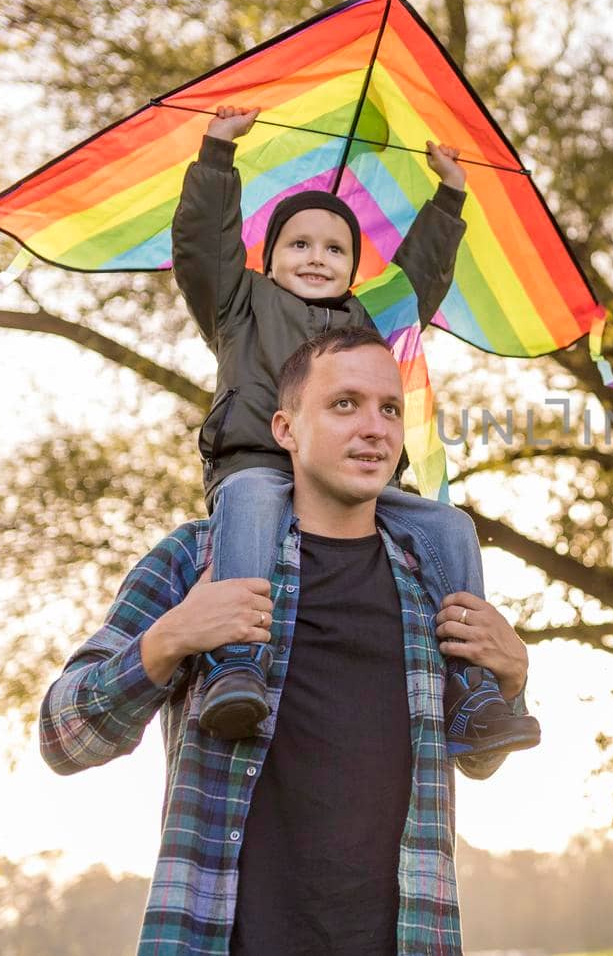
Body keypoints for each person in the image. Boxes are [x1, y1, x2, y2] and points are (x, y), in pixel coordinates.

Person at [40, 326, 530, 954]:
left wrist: (511, 683)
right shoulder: (200, 560)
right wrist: (169, 640)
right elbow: (64, 737)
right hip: (222, 938)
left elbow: (475, 760)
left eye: (390, 409)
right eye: (344, 404)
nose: (375, 427)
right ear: (285, 429)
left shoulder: (430, 583)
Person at [171, 104, 538, 757]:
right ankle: (237, 664)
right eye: (300, 244)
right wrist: (218, 154)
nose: (317, 256)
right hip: (259, 463)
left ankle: (472, 687)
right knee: (252, 504)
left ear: (352, 266)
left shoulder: (367, 322)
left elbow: (421, 276)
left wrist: (450, 195)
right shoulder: (239, 302)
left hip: (346, 486)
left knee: (448, 525)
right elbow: (202, 243)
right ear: (269, 254)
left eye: (335, 247)